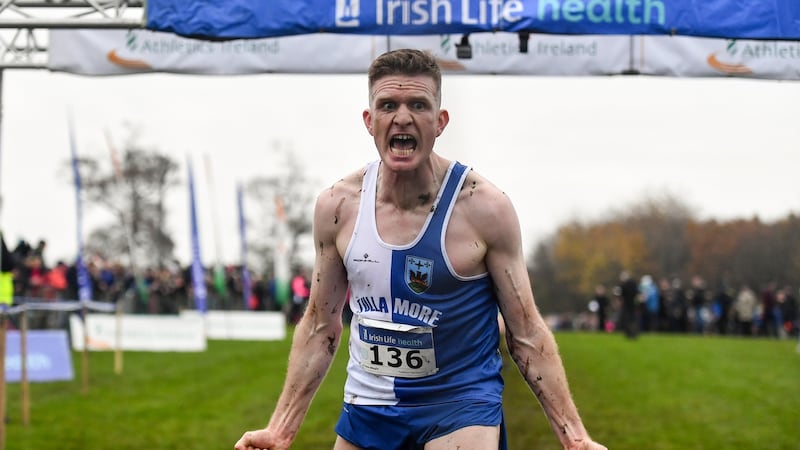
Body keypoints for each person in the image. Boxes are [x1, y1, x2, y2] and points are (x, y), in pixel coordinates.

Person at [234, 49, 605, 450]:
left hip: (460, 404)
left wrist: (575, 438)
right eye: (388, 105)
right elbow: (320, 326)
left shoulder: (484, 208)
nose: (403, 117)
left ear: (440, 122)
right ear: (369, 121)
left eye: (418, 105)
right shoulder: (337, 207)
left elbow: (526, 331)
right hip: (369, 405)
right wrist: (280, 430)